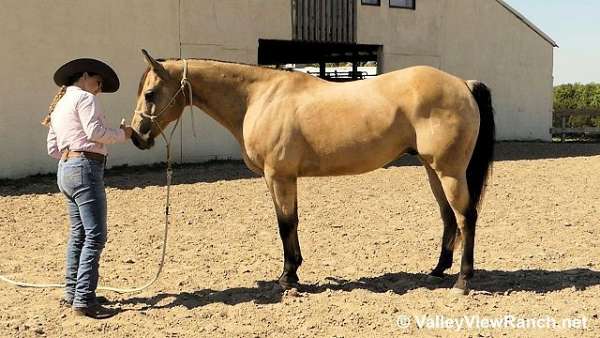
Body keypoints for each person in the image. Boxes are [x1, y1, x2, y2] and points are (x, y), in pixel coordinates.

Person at [42, 58, 133, 319]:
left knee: (79, 234)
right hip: (85, 167)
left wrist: (71, 158)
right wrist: (122, 134)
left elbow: (52, 147)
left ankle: (74, 292)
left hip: (66, 169)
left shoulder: (60, 104)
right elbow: (95, 132)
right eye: (98, 81)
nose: (99, 87)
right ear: (84, 76)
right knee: (95, 236)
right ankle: (83, 299)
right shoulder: (85, 99)